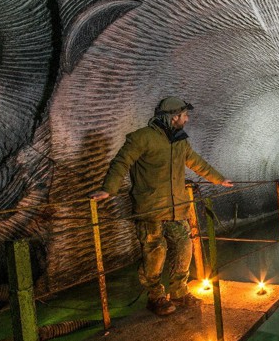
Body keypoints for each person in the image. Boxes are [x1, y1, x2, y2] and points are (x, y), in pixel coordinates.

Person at [90, 97, 233, 316]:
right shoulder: (142, 138)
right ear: (174, 116)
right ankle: (155, 297)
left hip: (177, 207)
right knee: (155, 252)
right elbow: (121, 162)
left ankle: (179, 291)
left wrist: (219, 179)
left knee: (184, 246)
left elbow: (196, 162)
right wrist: (109, 189)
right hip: (151, 209)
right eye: (184, 115)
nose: (187, 118)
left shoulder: (180, 141)